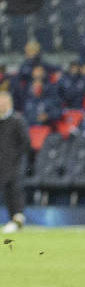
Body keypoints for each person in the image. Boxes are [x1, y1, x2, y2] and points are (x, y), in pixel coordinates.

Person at [0, 90, 30, 234]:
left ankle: (17, 218)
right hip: (2, 163)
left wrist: (16, 156)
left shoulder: (17, 120)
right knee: (6, 191)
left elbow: (26, 143)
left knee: (15, 189)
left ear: (9, 103)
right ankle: (14, 219)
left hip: (15, 162)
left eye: (3, 102)